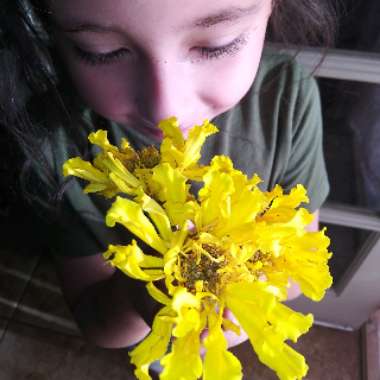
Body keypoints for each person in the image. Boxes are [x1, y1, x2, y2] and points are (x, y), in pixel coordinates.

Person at [0, 0, 335, 358]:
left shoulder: (287, 99)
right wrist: (135, 295)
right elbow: (96, 323)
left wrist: (249, 295)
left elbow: (307, 270)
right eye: (102, 52)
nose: (166, 109)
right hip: (148, 335)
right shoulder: (54, 142)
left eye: (216, 44)